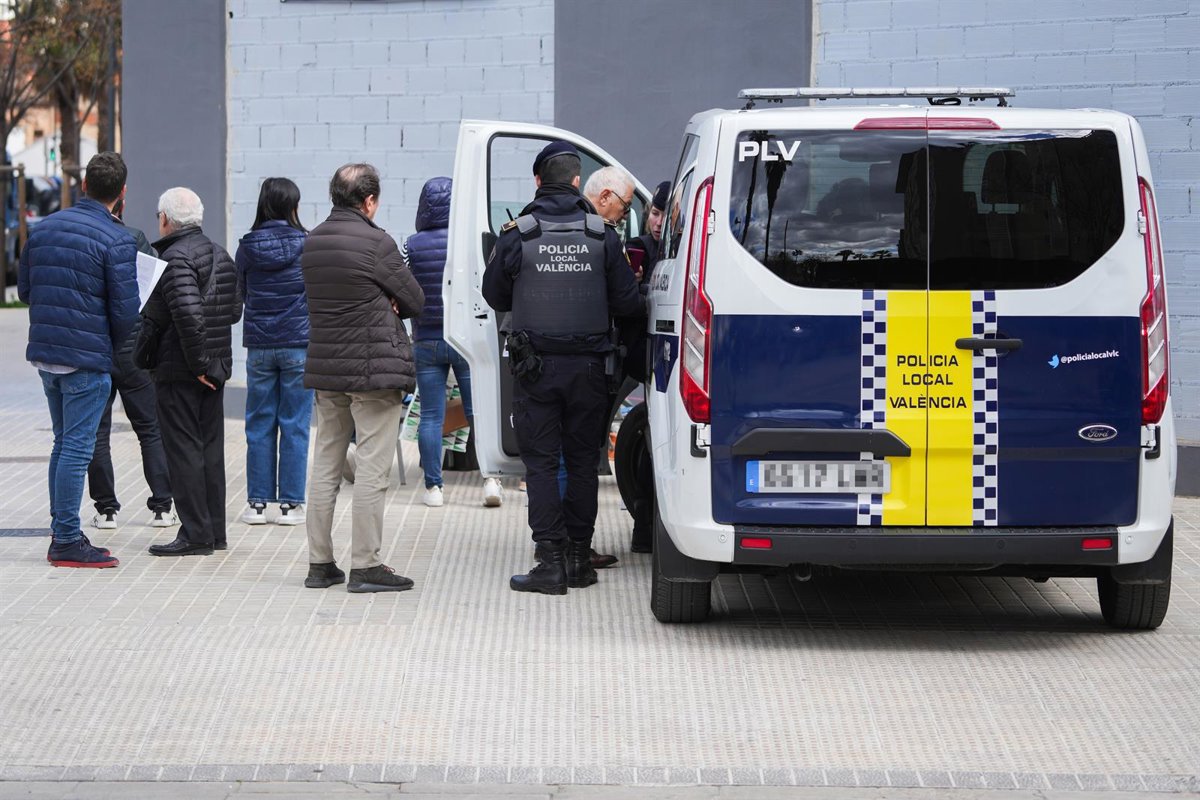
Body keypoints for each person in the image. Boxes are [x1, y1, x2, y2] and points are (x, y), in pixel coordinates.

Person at [483, 142, 641, 595]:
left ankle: (550, 564)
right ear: (576, 182)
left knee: (542, 465)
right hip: (590, 369)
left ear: (538, 181)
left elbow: (494, 295)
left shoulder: (518, 233)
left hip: (536, 369)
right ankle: (578, 561)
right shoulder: (602, 234)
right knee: (583, 464)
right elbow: (628, 303)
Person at [301, 163, 424, 593]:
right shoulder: (377, 242)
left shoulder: (312, 241)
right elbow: (415, 299)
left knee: (325, 466)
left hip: (327, 369)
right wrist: (388, 297)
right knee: (372, 469)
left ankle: (320, 564)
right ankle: (366, 565)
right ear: (369, 201)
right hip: (373, 372)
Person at [18, 151, 139, 568]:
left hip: (47, 355)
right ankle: (67, 539)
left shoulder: (44, 228)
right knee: (75, 448)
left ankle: (63, 530)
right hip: (86, 359)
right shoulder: (116, 238)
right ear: (122, 193)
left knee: (63, 443)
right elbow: (126, 312)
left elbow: (26, 291)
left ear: (83, 185)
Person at [143, 187, 242, 557]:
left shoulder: (175, 258)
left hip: (183, 369)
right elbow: (234, 311)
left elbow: (187, 313)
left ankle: (196, 535)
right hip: (214, 368)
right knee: (209, 450)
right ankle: (214, 531)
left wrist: (198, 364)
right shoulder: (221, 253)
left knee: (183, 450)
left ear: (166, 220)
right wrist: (208, 363)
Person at [406, 176, 503, 509]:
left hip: (427, 339)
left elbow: (404, 286)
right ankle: (490, 480)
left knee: (431, 417)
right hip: (465, 337)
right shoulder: (470, 242)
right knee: (478, 412)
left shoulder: (411, 245)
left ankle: (434, 488)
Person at [87, 196, 177, 531]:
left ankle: (106, 510)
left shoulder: (86, 239)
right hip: (133, 347)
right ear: (121, 201)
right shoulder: (134, 238)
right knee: (150, 428)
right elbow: (151, 289)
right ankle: (162, 507)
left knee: (97, 432)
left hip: (96, 347)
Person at [236, 178, 314, 527]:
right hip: (298, 344)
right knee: (295, 424)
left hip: (259, 347)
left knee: (259, 424)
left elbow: (241, 293)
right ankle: (291, 505)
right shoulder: (307, 244)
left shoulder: (246, 246)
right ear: (292, 207)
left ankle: (257, 504)